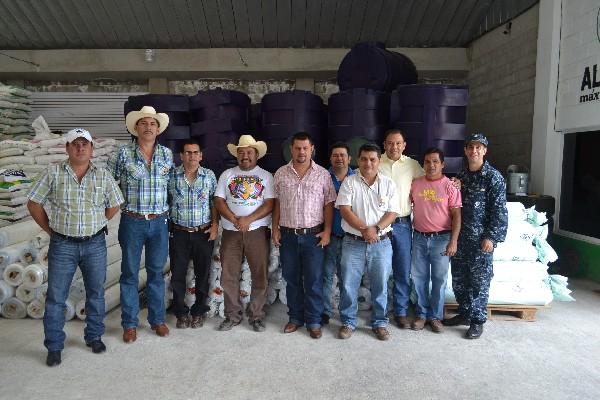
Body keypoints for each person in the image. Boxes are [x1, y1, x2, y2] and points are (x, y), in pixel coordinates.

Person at [27, 128, 123, 366]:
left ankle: (94, 337)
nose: (80, 148)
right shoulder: (53, 173)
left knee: (96, 293)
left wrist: (98, 222)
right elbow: (33, 203)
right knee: (56, 297)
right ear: (67, 148)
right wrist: (50, 229)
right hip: (63, 245)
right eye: (75, 144)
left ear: (91, 149)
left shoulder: (103, 175)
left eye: (85, 144)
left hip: (94, 244)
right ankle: (54, 346)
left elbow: (115, 204)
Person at [108, 106, 173, 343]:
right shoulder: (121, 154)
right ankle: (130, 323)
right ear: (136, 128)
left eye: (152, 124)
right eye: (143, 123)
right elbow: (108, 184)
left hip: (159, 222)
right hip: (132, 221)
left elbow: (170, 187)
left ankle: (157, 320)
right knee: (130, 274)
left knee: (156, 273)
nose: (148, 127)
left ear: (158, 129)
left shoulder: (167, 154)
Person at [442, 133, 508, 339]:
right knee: (460, 280)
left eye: (479, 147)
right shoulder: (461, 177)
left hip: (481, 242)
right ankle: (464, 313)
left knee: (479, 283)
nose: (474, 151)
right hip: (460, 240)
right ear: (465, 150)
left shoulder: (493, 178)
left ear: (485, 151)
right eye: (471, 147)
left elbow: (499, 211)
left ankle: (478, 320)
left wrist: (491, 237)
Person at [272, 132, 336, 339]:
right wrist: (275, 228)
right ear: (291, 149)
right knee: (291, 279)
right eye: (298, 148)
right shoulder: (281, 173)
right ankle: (295, 318)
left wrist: (327, 231)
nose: (301, 152)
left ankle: (314, 320)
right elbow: (277, 204)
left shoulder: (323, 174)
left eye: (305, 148)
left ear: (312, 149)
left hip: (313, 236)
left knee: (314, 280)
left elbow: (329, 204)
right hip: (289, 236)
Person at [336, 143, 399, 341]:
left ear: (379, 161)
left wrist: (376, 229)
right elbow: (345, 210)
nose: (368, 163)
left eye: (372, 159)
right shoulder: (349, 182)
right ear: (358, 160)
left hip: (381, 243)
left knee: (380, 284)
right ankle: (348, 321)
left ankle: (379, 322)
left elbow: (393, 212)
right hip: (353, 242)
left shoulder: (388, 184)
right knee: (348, 284)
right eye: (364, 159)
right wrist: (365, 230)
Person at [214, 135, 274, 332]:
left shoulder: (266, 176)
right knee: (228, 275)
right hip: (231, 232)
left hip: (256, 231)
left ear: (256, 155)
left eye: (249, 152)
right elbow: (219, 201)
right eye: (241, 152)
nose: (245, 155)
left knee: (260, 274)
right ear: (237, 155)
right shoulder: (227, 175)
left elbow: (270, 203)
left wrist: (248, 220)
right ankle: (232, 315)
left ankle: (256, 316)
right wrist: (234, 219)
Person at [409, 148, 461, 333]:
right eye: (428, 162)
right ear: (423, 164)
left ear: (442, 164)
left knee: (439, 279)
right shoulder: (415, 184)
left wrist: (453, 241)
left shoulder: (450, 186)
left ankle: (436, 317)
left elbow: (456, 215)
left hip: (442, 238)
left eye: (435, 162)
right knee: (419, 278)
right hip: (420, 238)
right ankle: (422, 315)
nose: (431, 165)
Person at [168, 139, 218, 329]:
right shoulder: (172, 176)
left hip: (203, 232)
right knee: (178, 274)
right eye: (188, 153)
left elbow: (215, 203)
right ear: (181, 156)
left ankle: (198, 312)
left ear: (201, 156)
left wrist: (214, 226)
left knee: (202, 274)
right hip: (179, 233)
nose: (192, 156)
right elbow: (166, 202)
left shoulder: (209, 176)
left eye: (195, 152)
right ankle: (181, 313)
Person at [378, 129, 424, 328]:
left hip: (403, 224)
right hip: (379, 223)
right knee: (379, 269)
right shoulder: (375, 162)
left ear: (404, 145)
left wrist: (453, 183)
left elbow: (430, 180)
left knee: (402, 270)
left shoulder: (412, 165)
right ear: (384, 144)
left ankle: (401, 311)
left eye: (398, 143)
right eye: (390, 143)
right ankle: (379, 311)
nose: (394, 147)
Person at [322, 142, 354, 325]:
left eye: (343, 155)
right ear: (330, 158)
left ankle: (346, 314)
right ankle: (325, 311)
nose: (339, 158)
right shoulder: (323, 177)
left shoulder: (357, 178)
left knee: (347, 278)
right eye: (335, 155)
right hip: (330, 235)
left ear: (350, 159)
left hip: (351, 238)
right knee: (326, 275)